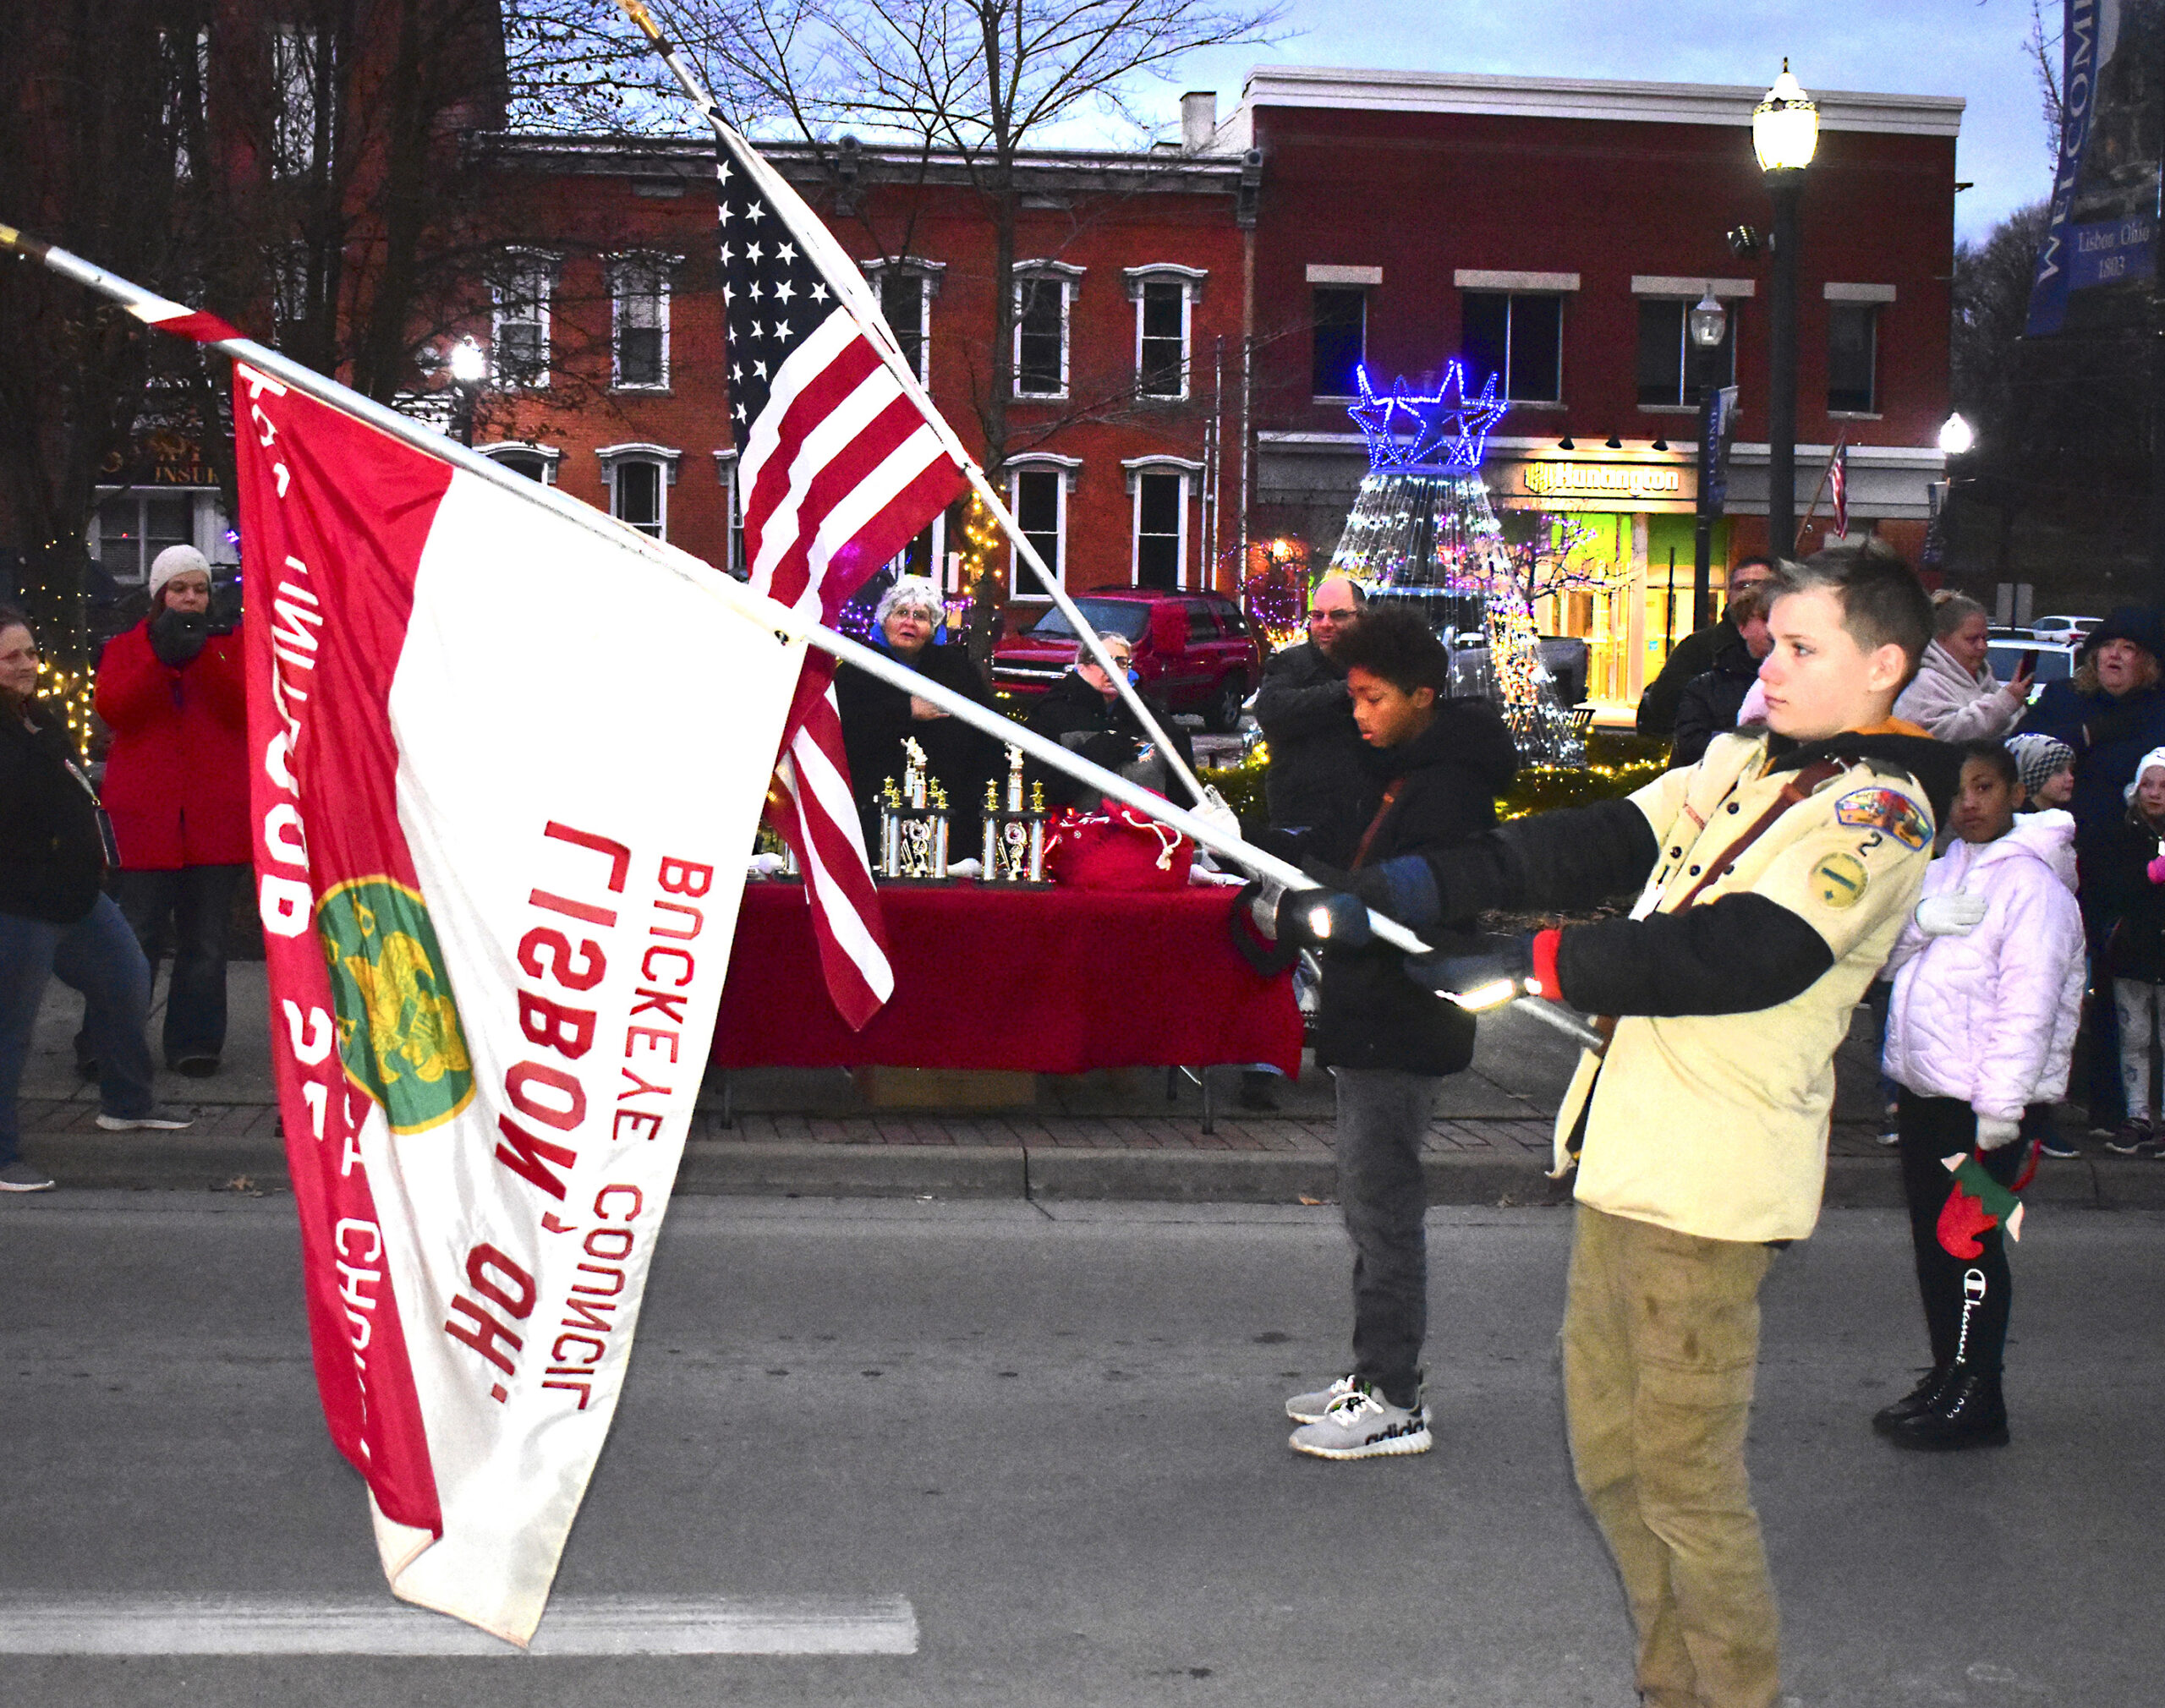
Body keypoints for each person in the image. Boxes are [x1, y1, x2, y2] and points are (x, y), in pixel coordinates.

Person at [1305, 542, 1959, 1707]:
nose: (1770, 664)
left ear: (1885, 667)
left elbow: (1747, 951)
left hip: (1709, 1192)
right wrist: (1406, 889)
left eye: (1801, 647)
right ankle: (1675, 1686)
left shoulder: (1877, 809)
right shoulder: (1750, 763)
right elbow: (1595, 837)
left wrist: (1534, 959)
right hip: (1626, 1164)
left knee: (1686, 1488)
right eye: (1771, 640)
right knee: (1615, 1470)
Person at [1277, 606, 1518, 1460]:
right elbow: (1349, 865)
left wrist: (1323, 893)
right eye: (1352, 697)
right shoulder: (1392, 772)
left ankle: (1394, 1395)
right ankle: (1372, 1369)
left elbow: (1404, 899)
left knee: (1382, 1206)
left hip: (1403, 1018)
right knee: (1366, 1201)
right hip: (1370, 1013)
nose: (1359, 713)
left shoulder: (1445, 789)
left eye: (1373, 698)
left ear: (1422, 696)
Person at [1877, 740, 2084, 1448]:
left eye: (1985, 787)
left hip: (1987, 1108)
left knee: (1967, 1243)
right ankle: (1949, 1374)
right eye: (1958, 791)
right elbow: (1883, 960)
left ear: (2016, 795)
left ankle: (1979, 1393)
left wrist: (2002, 1110)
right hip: (1930, 1093)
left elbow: (2030, 1005)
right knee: (1934, 1245)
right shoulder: (1939, 872)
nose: (1968, 804)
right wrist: (1918, 922)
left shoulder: (2035, 888)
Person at [0, 606, 193, 1192]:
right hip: (19, 903)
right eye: (11, 657)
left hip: (78, 894)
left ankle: (127, 1103)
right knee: (11, 1028)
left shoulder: (41, 717)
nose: (27, 665)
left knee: (127, 979)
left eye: (31, 653)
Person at [90, 544, 249, 1076]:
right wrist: (160, 657)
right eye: (178, 589)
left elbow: (243, 708)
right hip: (145, 820)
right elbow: (117, 710)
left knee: (206, 942)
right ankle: (109, 1041)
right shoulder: (126, 648)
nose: (190, 598)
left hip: (214, 822)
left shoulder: (230, 646)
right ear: (159, 595)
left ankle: (194, 1042)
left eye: (199, 589)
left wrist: (202, 654)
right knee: (134, 937)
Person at [2019, 605, 2165, 1131]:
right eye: (2107, 646)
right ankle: (2034, 1110)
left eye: (2128, 649)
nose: (2114, 656)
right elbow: (2021, 754)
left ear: (2148, 662)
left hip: (2130, 870)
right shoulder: (2065, 699)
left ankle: (2116, 1107)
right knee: (2047, 983)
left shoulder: (2157, 710)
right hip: (2057, 860)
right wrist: (2084, 733)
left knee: (2117, 989)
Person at [835, 575, 999, 845]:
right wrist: (905, 709)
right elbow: (848, 726)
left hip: (945, 812)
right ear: (885, 619)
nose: (909, 622)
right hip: (873, 809)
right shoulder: (858, 667)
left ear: (932, 628)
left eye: (920, 616)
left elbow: (986, 730)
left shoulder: (956, 669)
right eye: (901, 613)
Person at [1253, 572, 1369, 863]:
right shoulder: (1290, 664)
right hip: (1301, 819)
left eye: (1338, 615)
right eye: (1317, 616)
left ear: (1362, 617)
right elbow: (1271, 712)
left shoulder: (1377, 665)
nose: (1326, 624)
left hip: (1364, 822)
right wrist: (1347, 691)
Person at [1025, 629, 1194, 811]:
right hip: (1077, 826)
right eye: (1101, 661)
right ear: (1081, 666)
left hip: (1147, 826)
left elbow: (1184, 794)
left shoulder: (1150, 716)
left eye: (1121, 663)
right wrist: (1092, 756)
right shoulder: (1051, 714)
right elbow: (1037, 789)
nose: (1112, 670)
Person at [2092, 747, 2165, 1156]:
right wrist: (2147, 875)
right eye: (2148, 784)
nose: (2155, 793)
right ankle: (2137, 1116)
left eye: (2164, 786)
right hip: (2132, 952)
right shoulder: (2121, 834)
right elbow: (2109, 886)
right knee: (2134, 1036)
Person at [1633, 555, 1780, 737]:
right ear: (1729, 595)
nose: (1750, 591)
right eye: (1742, 586)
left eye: (1760, 584)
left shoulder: (1794, 647)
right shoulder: (1698, 647)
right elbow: (1664, 701)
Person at [1893, 591, 2031, 741]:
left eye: (1985, 638)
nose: (1982, 646)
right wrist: (2003, 704)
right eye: (1972, 639)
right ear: (1942, 639)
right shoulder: (1924, 684)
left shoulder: (1987, 682)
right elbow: (1942, 737)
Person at [1670, 583, 1772, 765]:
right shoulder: (1706, 687)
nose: (1773, 628)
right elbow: (1691, 746)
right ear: (1742, 627)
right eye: (1766, 619)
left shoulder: (1803, 679)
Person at [2005, 732, 2076, 812]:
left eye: (2070, 770)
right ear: (2033, 776)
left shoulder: (2063, 816)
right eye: (2059, 771)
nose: (2070, 778)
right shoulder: (2019, 819)